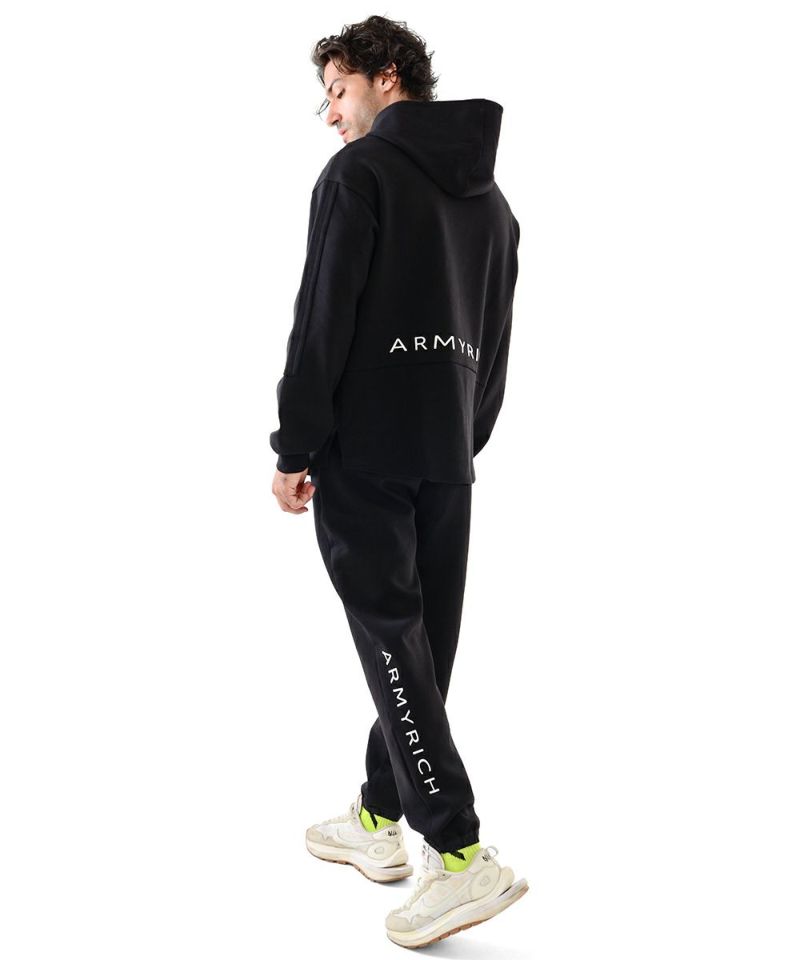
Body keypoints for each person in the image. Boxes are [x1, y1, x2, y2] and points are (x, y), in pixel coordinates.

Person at [269, 15, 525, 948]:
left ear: (386, 75)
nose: (331, 115)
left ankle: (459, 854)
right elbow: (493, 349)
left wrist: (296, 447)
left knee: (392, 640)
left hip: (366, 451)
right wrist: (459, 437)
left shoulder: (359, 176)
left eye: (337, 91)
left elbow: (322, 321)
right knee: (421, 648)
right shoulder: (494, 206)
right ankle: (380, 817)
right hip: (445, 456)